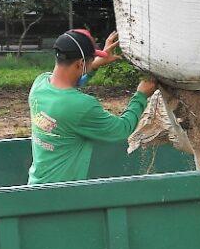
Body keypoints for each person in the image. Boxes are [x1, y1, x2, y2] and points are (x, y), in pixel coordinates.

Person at [28, 29, 157, 185]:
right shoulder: (82, 106)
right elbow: (122, 129)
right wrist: (141, 96)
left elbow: (70, 84)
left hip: (36, 187)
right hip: (61, 197)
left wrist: (93, 66)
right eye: (90, 59)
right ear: (80, 63)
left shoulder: (40, 84)